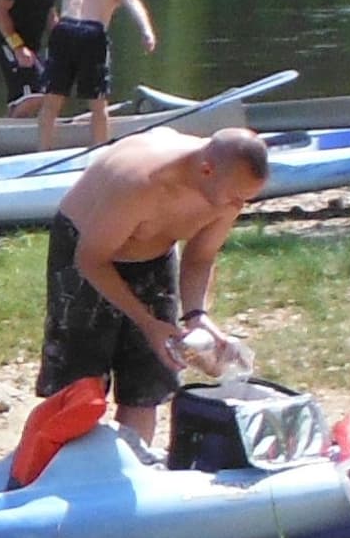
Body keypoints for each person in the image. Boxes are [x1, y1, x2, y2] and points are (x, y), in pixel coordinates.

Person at [42, 128, 274, 446]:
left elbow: (200, 257)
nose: (239, 204)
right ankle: (66, 463)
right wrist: (148, 323)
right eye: (236, 195)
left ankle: (133, 460)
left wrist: (196, 316)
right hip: (85, 248)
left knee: (149, 377)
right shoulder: (140, 181)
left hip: (154, 255)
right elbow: (91, 260)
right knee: (79, 381)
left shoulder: (227, 187)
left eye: (246, 197)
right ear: (207, 170)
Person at [28, 0, 157, 149]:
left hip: (65, 30)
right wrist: (147, 32)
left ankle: (43, 150)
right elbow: (134, 4)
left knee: (52, 100)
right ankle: (100, 150)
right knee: (97, 103)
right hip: (91, 34)